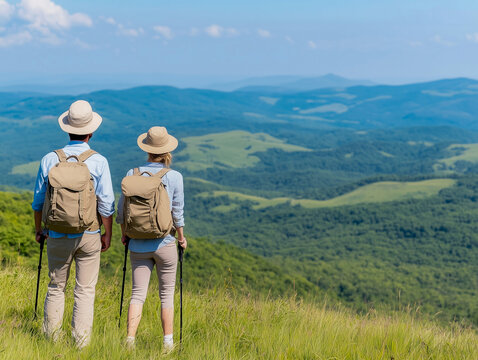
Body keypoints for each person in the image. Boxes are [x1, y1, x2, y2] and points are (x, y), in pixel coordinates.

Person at [32, 100, 115, 348]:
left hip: (56, 232)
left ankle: (50, 342)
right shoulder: (99, 161)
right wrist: (107, 234)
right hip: (89, 233)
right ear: (91, 132)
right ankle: (80, 345)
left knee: (56, 287)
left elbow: (38, 201)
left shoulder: (50, 158)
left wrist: (39, 230)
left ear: (67, 129)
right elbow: (107, 204)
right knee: (85, 291)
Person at [116, 126, 187, 352]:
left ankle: (129, 341)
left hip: (137, 242)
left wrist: (125, 236)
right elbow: (178, 212)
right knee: (166, 294)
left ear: (146, 150)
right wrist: (182, 238)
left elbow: (121, 210)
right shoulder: (174, 176)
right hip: (165, 242)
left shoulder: (131, 173)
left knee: (137, 294)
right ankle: (168, 343)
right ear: (167, 152)